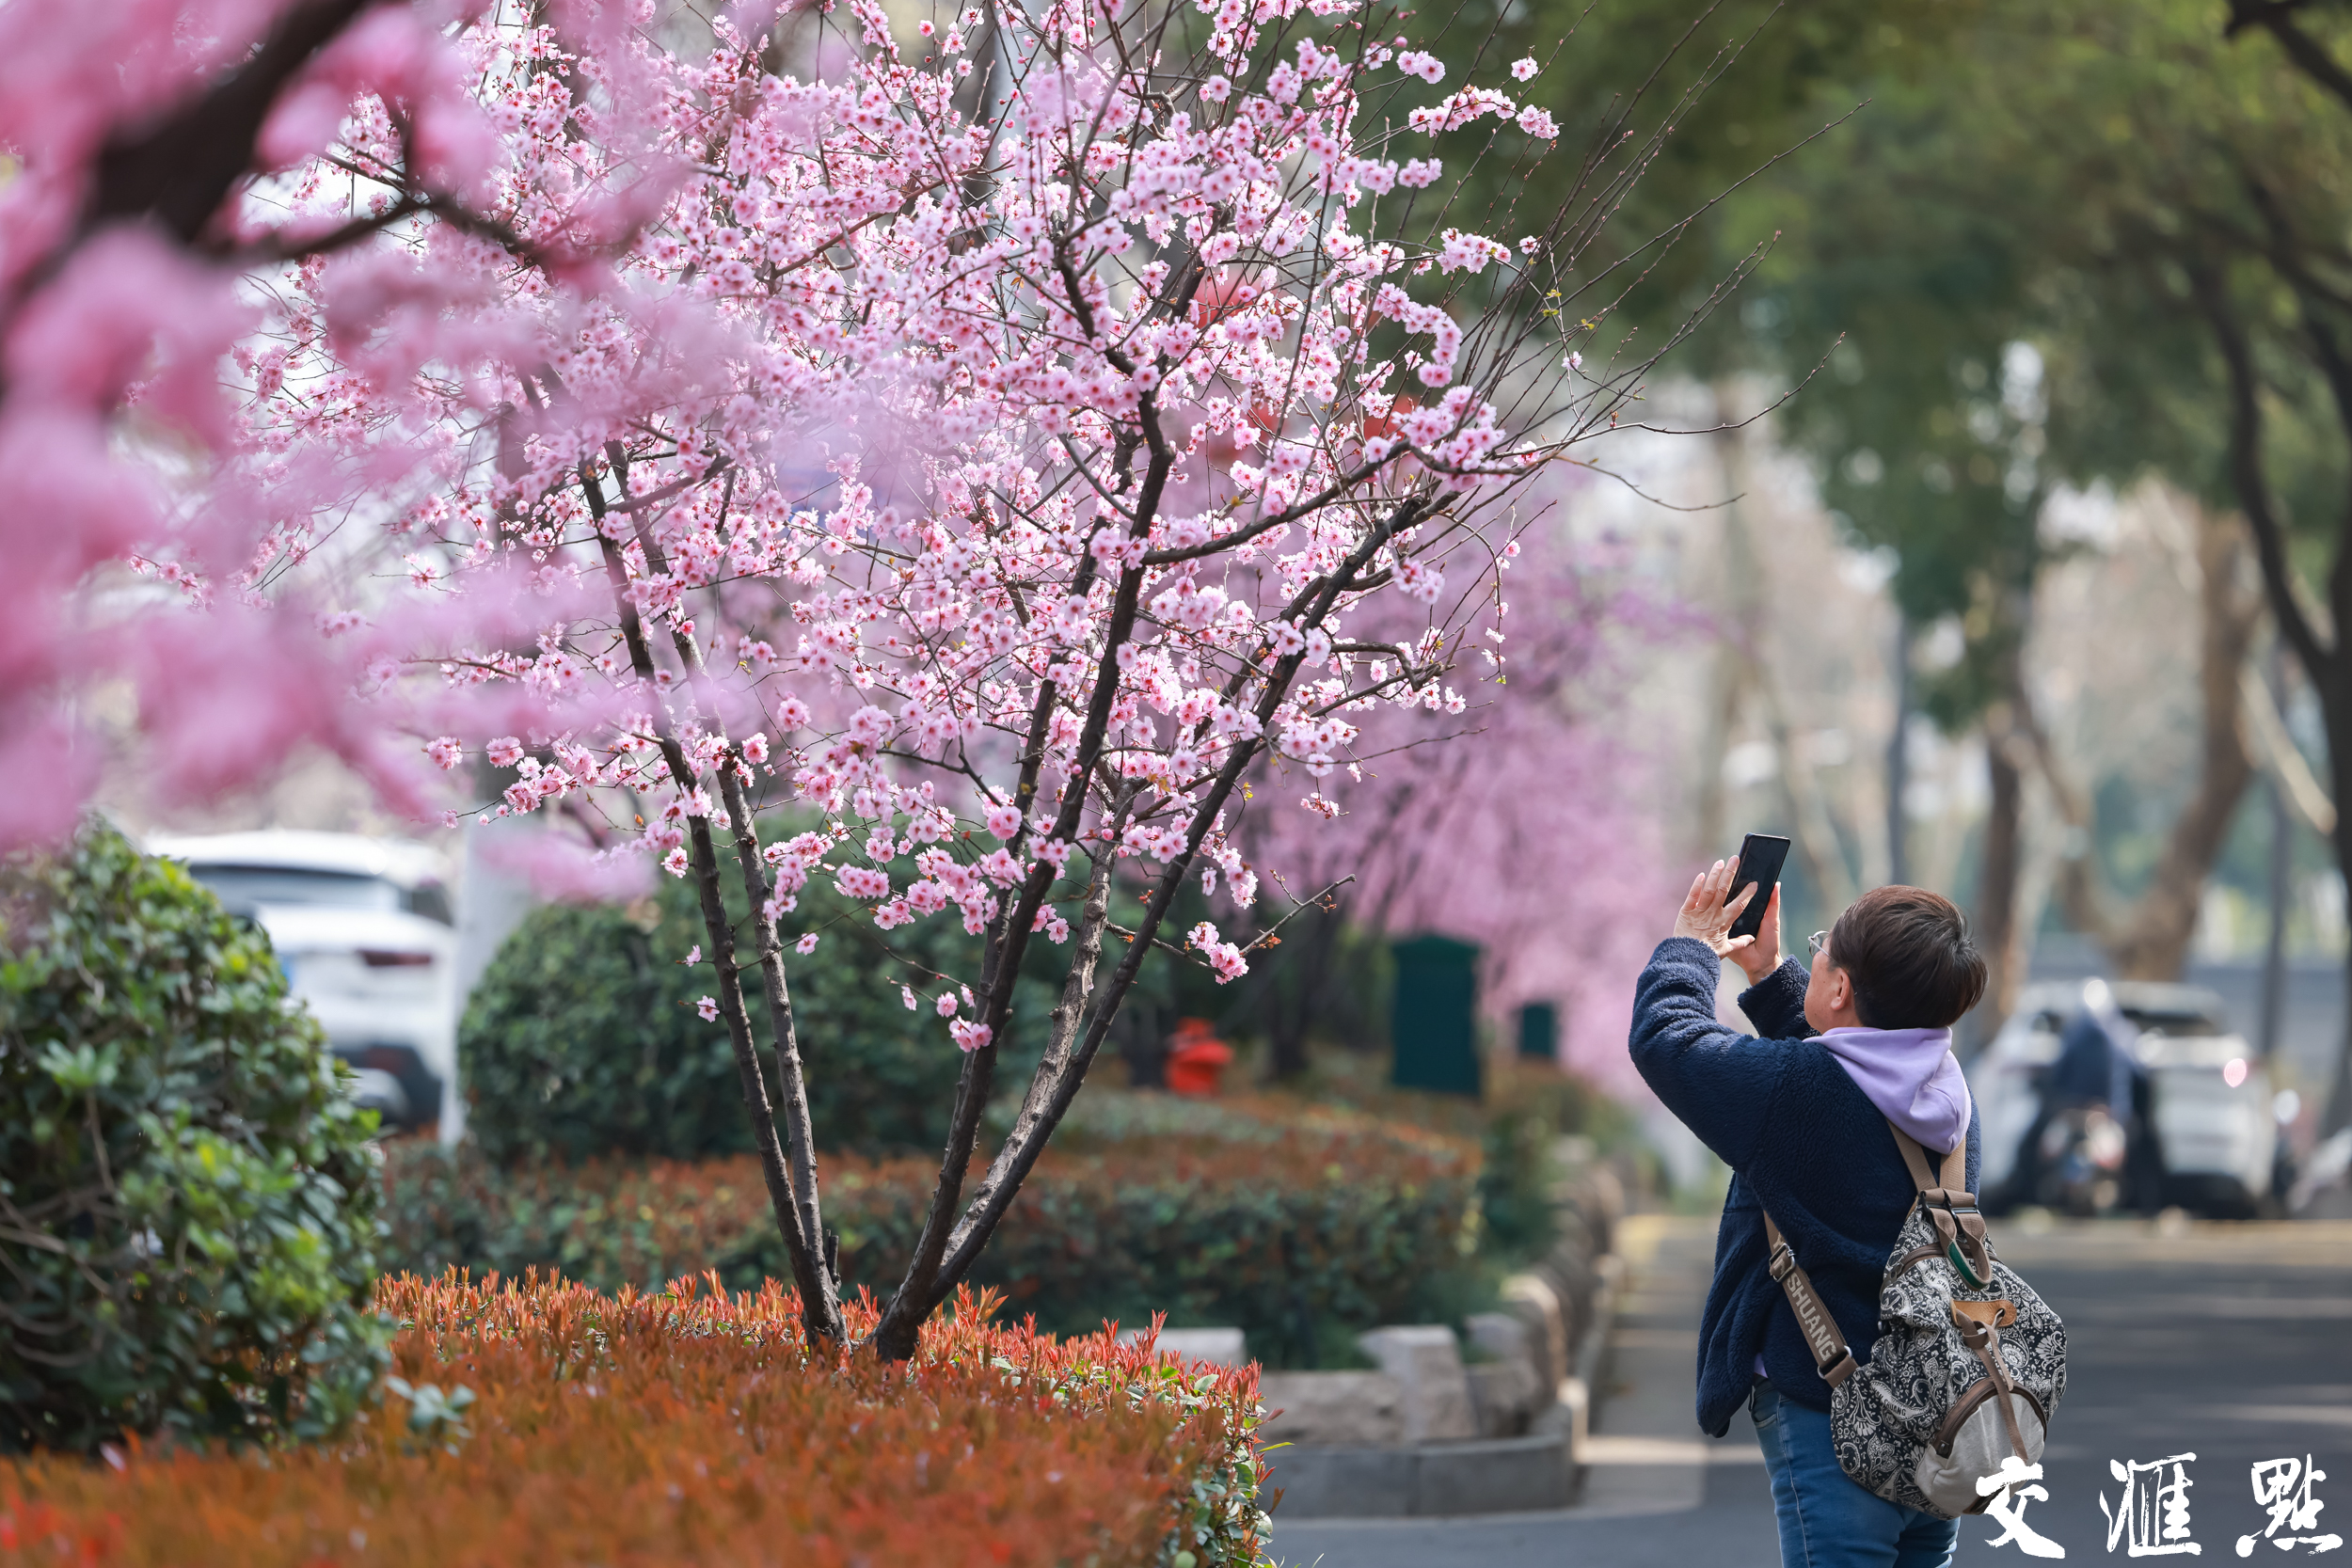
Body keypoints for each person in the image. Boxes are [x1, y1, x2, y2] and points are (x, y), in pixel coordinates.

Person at [1629, 861, 1988, 1568]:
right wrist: (1770, 974)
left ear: (1842, 988)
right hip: (1936, 1415)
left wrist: (1690, 948)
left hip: (1832, 1414)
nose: (1814, 954)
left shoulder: (1798, 1093)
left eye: (1822, 948)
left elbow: (1667, 1040)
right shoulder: (1948, 1096)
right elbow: (1846, 1070)